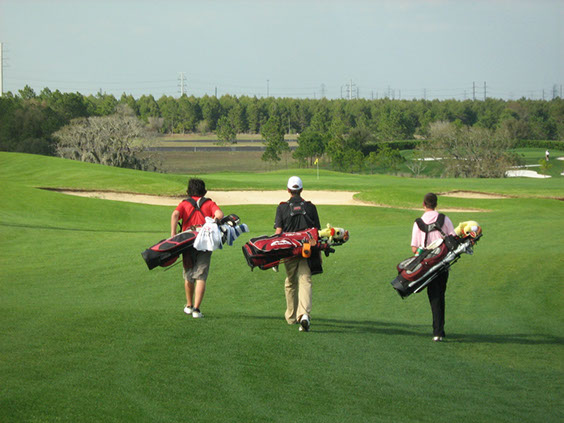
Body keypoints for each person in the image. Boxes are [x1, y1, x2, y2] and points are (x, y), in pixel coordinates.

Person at [171, 178, 223, 319]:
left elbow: (175, 215)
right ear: (204, 192)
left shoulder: (184, 204)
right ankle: (196, 309)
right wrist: (214, 222)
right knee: (201, 275)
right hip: (205, 242)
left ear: (188, 191)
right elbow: (219, 214)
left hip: (187, 242)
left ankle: (189, 305)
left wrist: (173, 235)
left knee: (189, 273)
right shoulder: (209, 203)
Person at [274, 176, 321, 332]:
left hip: (289, 250)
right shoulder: (311, 207)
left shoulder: (282, 208)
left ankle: (291, 316)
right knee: (305, 280)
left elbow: (278, 233)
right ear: (301, 190)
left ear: (288, 190)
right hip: (308, 250)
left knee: (291, 281)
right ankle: (304, 315)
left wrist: (275, 256)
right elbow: (317, 232)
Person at [411, 193, 455, 342]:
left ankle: (438, 331)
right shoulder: (444, 219)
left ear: (423, 204)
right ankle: (439, 330)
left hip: (427, 266)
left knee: (434, 297)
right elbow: (453, 239)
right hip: (443, 264)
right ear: (436, 204)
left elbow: (414, 248)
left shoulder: (418, 223)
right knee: (440, 295)